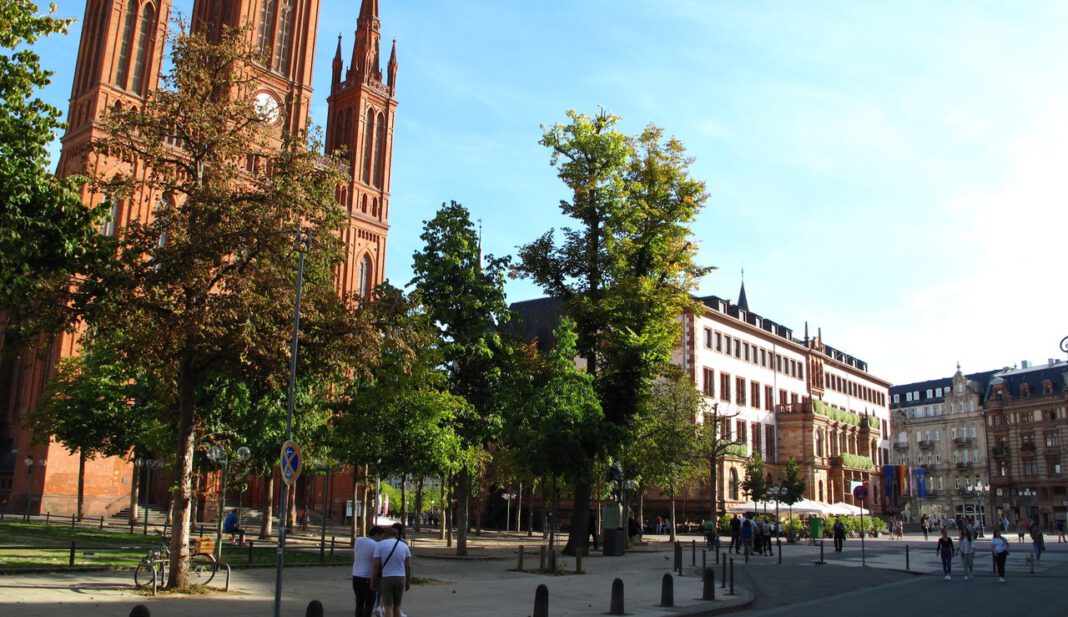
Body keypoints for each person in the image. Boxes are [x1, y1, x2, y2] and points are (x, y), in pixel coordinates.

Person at [371, 525, 412, 617]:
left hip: (387, 578)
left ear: (386, 535)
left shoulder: (380, 545)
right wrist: (408, 581)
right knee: (397, 607)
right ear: (397, 535)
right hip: (401, 578)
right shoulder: (404, 546)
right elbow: (409, 566)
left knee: (388, 607)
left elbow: (375, 564)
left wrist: (373, 580)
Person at [352, 526, 385, 617]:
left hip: (356, 575)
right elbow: (377, 562)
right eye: (381, 537)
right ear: (376, 535)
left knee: (359, 603)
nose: (381, 539)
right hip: (368, 577)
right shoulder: (376, 545)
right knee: (369, 604)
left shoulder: (358, 540)